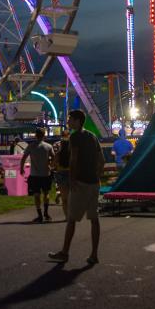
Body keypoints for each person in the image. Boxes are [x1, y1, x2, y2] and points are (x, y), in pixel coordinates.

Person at [48, 110, 102, 265]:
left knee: (71, 219)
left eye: (70, 119)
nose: (68, 121)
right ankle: (94, 254)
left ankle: (64, 252)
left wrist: (72, 179)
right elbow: (102, 160)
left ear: (78, 121)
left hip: (80, 182)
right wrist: (96, 177)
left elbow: (74, 159)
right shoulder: (92, 136)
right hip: (94, 183)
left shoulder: (75, 136)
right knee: (94, 219)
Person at [19, 129, 53, 223]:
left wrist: (21, 169)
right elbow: (54, 158)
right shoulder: (48, 146)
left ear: (35, 135)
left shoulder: (31, 146)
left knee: (36, 195)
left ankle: (40, 215)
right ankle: (46, 213)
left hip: (34, 174)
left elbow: (23, 158)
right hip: (46, 174)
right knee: (46, 193)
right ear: (44, 135)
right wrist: (51, 165)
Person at [53, 137, 70, 211]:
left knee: (64, 198)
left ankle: (66, 216)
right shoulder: (72, 153)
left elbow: (53, 164)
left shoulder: (58, 154)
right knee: (70, 196)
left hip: (61, 174)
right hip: (70, 174)